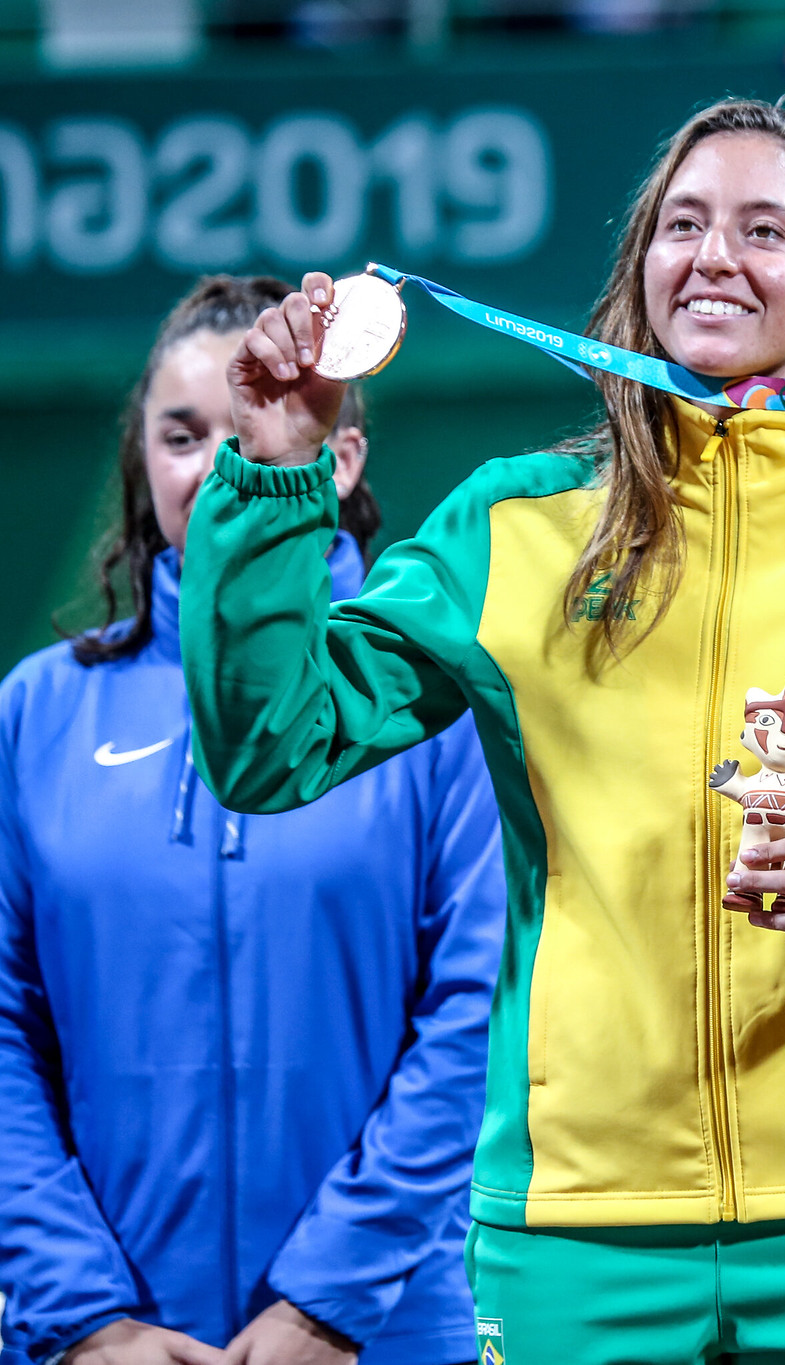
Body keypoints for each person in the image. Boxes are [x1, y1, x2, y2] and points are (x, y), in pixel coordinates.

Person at [178, 100, 785, 1365]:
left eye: (764, 230)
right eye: (681, 225)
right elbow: (273, 745)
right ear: (640, 266)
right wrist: (276, 469)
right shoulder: (515, 528)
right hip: (578, 1227)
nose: (713, 257)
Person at [0, 276, 505, 1365]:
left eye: (253, 431)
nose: (214, 466)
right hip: (101, 1341)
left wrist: (327, 1305)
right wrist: (82, 1319)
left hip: (383, 1332)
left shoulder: (429, 704)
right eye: (182, 435)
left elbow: (477, 1016)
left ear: (342, 458)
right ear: (141, 457)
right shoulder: (35, 715)